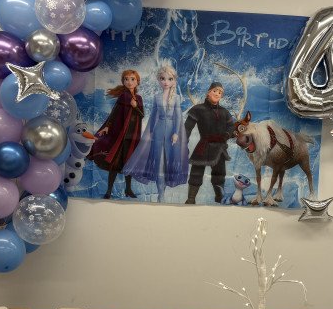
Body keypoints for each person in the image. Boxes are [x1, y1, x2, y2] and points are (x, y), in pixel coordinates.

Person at [123, 64, 189, 201]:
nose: (166, 82)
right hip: (158, 131)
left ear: (174, 81)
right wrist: (150, 131)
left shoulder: (176, 98)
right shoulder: (157, 97)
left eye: (169, 79)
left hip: (172, 132)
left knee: (167, 163)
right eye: (162, 79)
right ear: (159, 80)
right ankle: (161, 194)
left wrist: (176, 133)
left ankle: (162, 193)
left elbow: (178, 116)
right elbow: (153, 115)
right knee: (159, 163)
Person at [87, 70, 144, 199]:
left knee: (129, 162)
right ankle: (109, 191)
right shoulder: (123, 97)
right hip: (120, 135)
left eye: (132, 79)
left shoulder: (138, 99)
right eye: (126, 79)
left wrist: (135, 106)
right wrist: (107, 126)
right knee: (115, 162)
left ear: (137, 82)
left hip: (133, 135)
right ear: (123, 82)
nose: (129, 82)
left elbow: (142, 115)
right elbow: (114, 113)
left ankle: (128, 189)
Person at [184, 82, 235, 204]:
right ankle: (191, 199)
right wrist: (183, 143)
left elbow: (231, 127)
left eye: (220, 92)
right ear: (208, 92)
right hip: (204, 145)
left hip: (220, 147)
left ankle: (219, 198)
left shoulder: (224, 112)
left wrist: (227, 135)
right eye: (215, 91)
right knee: (196, 172)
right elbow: (187, 128)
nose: (218, 94)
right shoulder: (198, 109)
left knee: (219, 174)